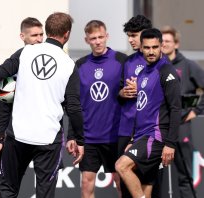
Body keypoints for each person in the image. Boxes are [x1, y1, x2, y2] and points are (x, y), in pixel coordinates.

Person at [0, 12, 84, 198]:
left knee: (7, 189)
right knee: (44, 193)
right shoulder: (69, 65)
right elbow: (73, 108)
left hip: (18, 135)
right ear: (67, 34)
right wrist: (80, 140)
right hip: (48, 138)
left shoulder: (25, 52)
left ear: (47, 31)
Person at [116, 28, 181, 198]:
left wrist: (170, 144)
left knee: (122, 166)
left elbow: (175, 109)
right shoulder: (143, 72)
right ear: (141, 48)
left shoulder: (167, 72)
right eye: (147, 48)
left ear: (161, 46)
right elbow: (142, 108)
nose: (151, 51)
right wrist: (132, 139)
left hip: (156, 136)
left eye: (155, 47)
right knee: (146, 186)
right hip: (141, 136)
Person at [75, 20, 127, 198]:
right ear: (86, 40)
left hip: (115, 135)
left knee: (121, 182)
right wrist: (72, 135)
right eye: (93, 38)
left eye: (100, 37)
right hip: (89, 136)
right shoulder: (80, 65)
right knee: (86, 183)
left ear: (107, 36)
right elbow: (75, 103)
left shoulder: (121, 61)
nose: (97, 41)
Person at [0, 17, 44, 163]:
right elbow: (3, 105)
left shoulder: (52, 60)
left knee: (46, 184)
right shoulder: (15, 63)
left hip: (46, 135)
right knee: (10, 182)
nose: (39, 39)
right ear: (23, 36)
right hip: (19, 135)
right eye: (34, 35)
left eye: (41, 35)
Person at [161, 25, 204, 198]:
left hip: (181, 127)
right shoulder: (156, 65)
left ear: (176, 44)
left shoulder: (188, 65)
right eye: (161, 41)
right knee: (154, 177)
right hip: (159, 127)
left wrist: (196, 110)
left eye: (168, 41)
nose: (164, 44)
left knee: (184, 175)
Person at [118, 15, 152, 198]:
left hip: (147, 130)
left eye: (133, 35)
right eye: (128, 36)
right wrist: (124, 92)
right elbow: (119, 92)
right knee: (124, 184)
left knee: (147, 180)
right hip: (125, 128)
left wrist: (143, 87)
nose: (130, 40)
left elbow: (167, 96)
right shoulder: (128, 61)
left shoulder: (158, 61)